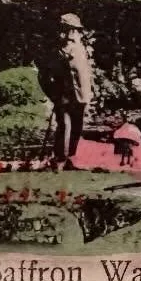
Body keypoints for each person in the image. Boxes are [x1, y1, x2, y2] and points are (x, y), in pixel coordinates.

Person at [51, 13, 93, 170]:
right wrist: (55, 93)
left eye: (75, 29)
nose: (73, 32)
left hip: (81, 94)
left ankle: (72, 158)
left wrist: (89, 92)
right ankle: (60, 158)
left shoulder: (81, 48)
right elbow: (53, 73)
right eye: (70, 29)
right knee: (64, 125)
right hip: (65, 94)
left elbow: (85, 73)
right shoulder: (58, 49)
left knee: (77, 126)